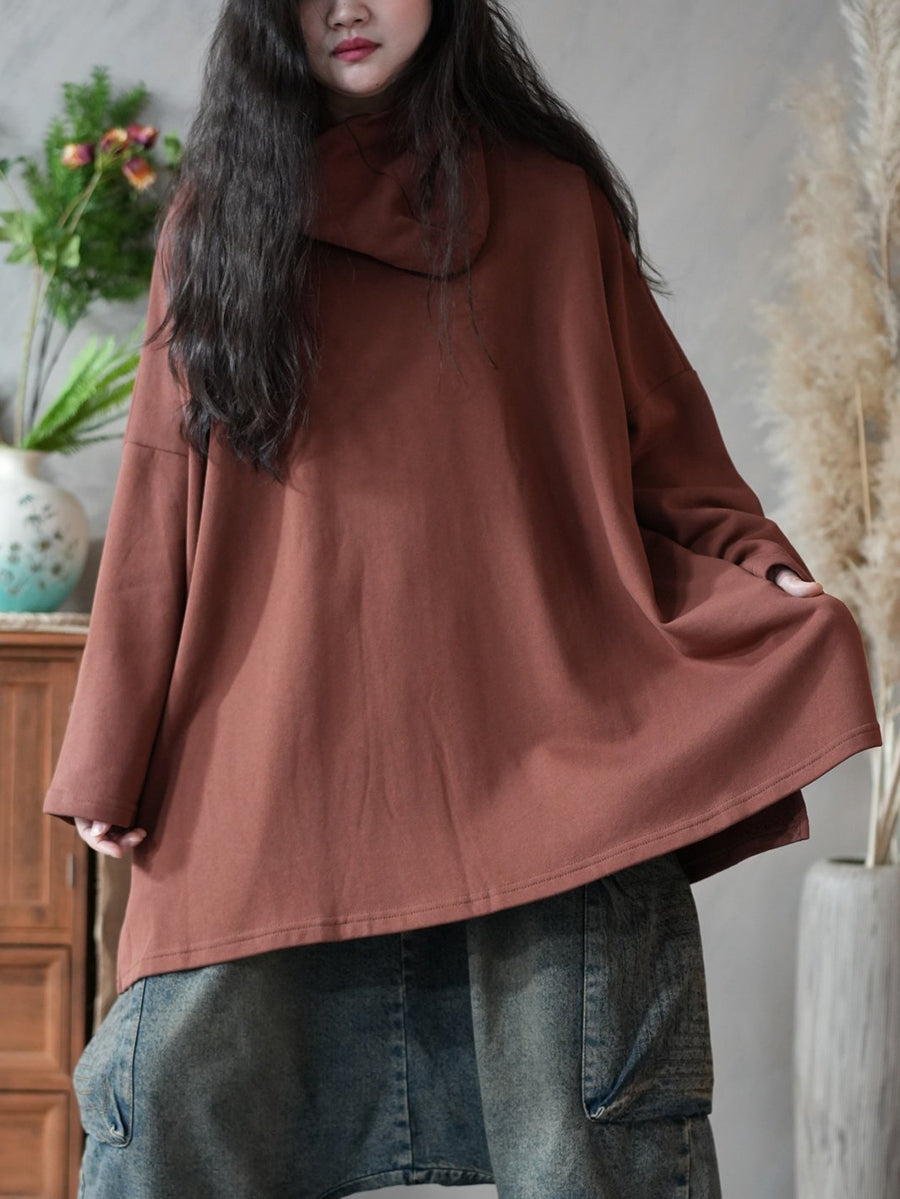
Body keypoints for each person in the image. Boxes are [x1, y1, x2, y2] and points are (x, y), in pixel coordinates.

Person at [44, 0, 882, 1196]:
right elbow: (158, 499)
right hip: (270, 788)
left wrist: (762, 569)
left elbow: (667, 459)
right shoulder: (216, 226)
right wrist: (108, 749)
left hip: (546, 776)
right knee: (174, 1135)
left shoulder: (554, 209)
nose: (345, 6)